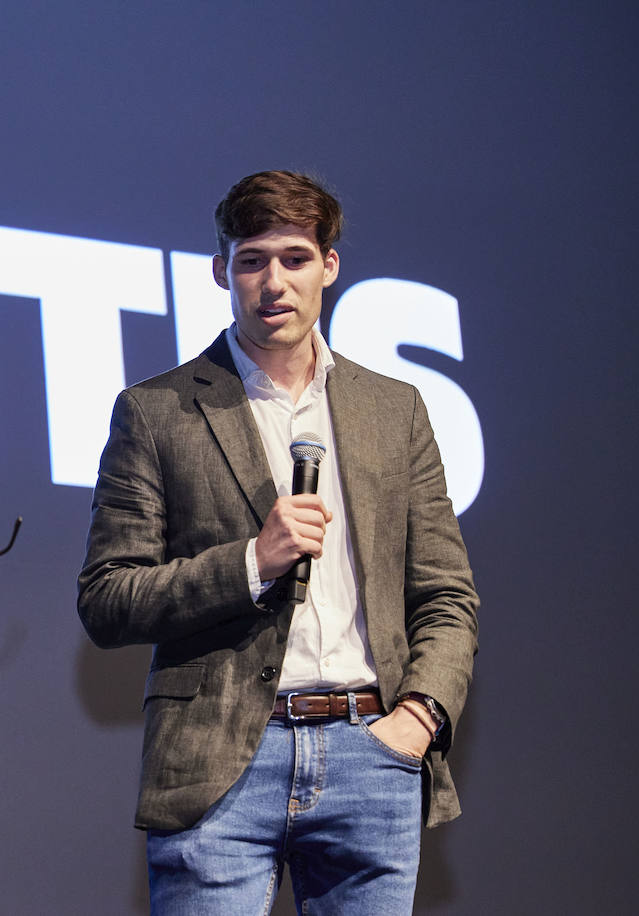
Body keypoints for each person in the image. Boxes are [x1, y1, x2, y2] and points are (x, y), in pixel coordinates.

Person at [77, 170, 478, 914]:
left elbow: (447, 595)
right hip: (222, 758)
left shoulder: (395, 410)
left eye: (295, 258)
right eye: (251, 259)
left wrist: (418, 718)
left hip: (373, 750)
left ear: (329, 266)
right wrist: (249, 564)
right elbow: (107, 599)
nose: (273, 282)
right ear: (220, 270)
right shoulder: (157, 411)